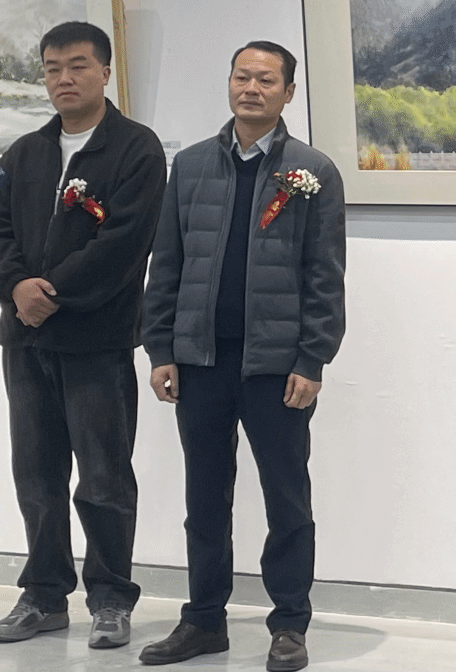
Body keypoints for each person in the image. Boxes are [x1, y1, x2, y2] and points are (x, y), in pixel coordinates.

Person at [138, 41, 346, 672]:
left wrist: (312, 359)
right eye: (241, 77)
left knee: (287, 499)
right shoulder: (192, 165)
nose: (251, 88)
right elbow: (166, 261)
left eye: (266, 80)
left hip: (277, 366)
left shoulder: (313, 170)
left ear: (288, 93)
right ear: (229, 83)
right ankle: (204, 620)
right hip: (199, 360)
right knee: (205, 498)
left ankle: (289, 624)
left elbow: (326, 275)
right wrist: (161, 347)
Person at [0, 20, 168, 649]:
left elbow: (124, 245)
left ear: (105, 72)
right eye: (53, 68)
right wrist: (15, 287)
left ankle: (110, 599)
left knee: (104, 478)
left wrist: (48, 293)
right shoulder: (26, 152)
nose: (64, 78)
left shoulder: (136, 149)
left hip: (96, 342)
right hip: (25, 343)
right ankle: (43, 595)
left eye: (78, 65)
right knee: (35, 475)